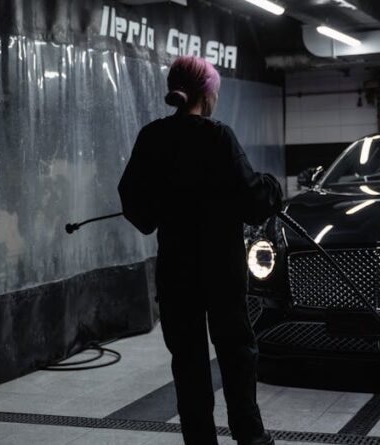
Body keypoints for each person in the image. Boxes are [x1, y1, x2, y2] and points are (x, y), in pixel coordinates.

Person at [118, 56, 281, 445]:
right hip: (221, 271)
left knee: (188, 362)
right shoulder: (217, 136)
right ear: (206, 94)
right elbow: (255, 200)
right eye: (216, 93)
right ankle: (250, 437)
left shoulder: (151, 136)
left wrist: (164, 207)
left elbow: (133, 201)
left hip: (176, 272)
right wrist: (272, 186)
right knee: (237, 354)